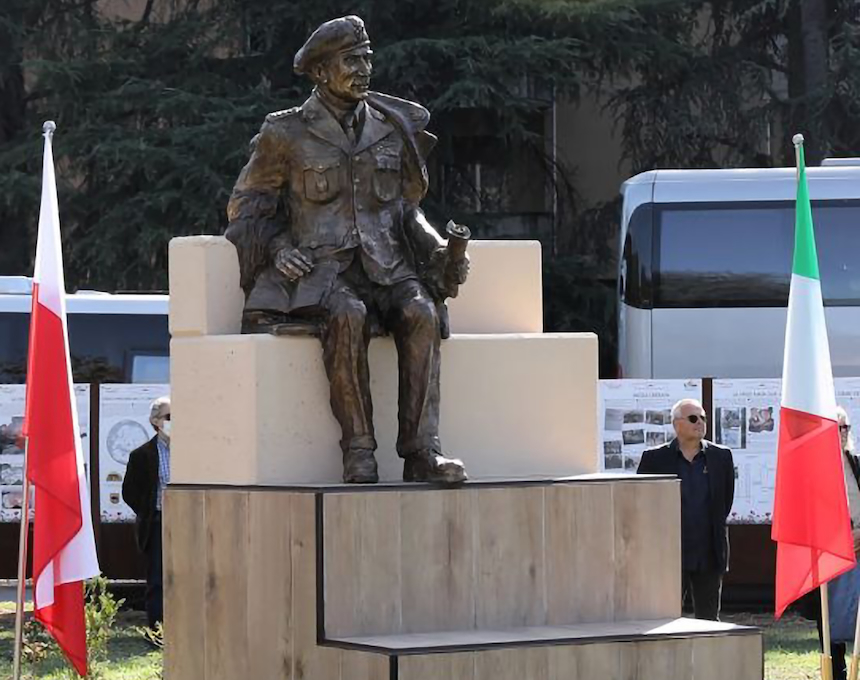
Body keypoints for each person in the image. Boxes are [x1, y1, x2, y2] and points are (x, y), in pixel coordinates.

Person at [224, 15, 468, 485]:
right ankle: (359, 450)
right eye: (352, 60)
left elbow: (404, 208)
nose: (364, 69)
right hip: (324, 270)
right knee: (347, 315)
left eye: (367, 59)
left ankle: (422, 452)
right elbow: (246, 207)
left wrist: (440, 245)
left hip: (387, 264)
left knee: (421, 312)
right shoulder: (285, 132)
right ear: (320, 71)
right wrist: (277, 248)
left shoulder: (390, 127)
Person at [637, 398, 735, 620]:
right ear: (676, 424)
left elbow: (725, 503)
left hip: (709, 552)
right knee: (665, 618)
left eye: (703, 418)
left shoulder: (721, 457)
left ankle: (708, 655)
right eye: (693, 418)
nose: (700, 422)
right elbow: (644, 502)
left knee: (708, 619)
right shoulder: (655, 459)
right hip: (669, 552)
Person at [122, 396, 170, 630]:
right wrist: (149, 512)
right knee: (157, 580)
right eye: (169, 417)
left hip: (188, 523)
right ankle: (158, 631)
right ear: (155, 421)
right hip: (158, 524)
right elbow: (130, 492)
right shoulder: (141, 455)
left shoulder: (193, 453)